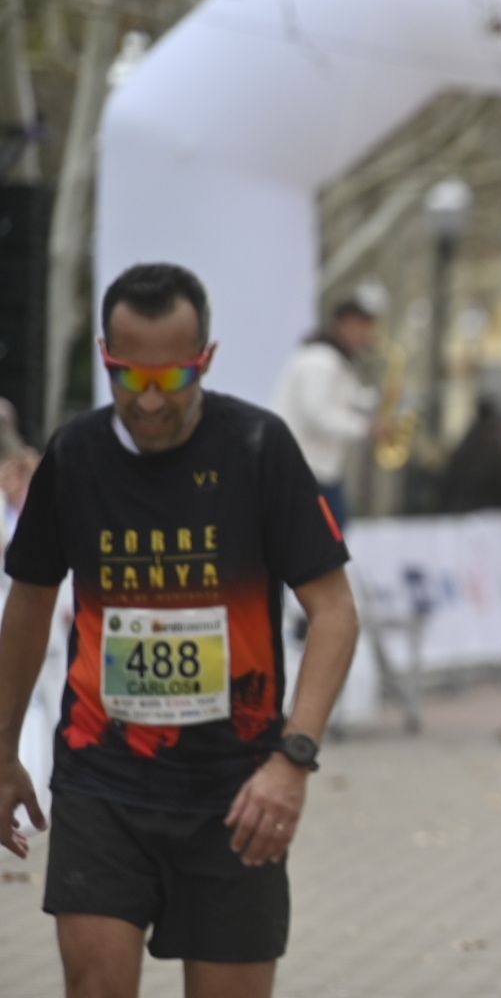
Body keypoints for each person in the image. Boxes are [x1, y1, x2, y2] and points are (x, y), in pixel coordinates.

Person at [0, 263, 359, 998]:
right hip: (103, 775)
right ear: (106, 357)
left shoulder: (259, 450)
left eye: (174, 377)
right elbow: (30, 603)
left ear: (207, 360)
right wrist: (2, 750)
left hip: (236, 790)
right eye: (131, 378)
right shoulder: (76, 456)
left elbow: (334, 611)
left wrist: (293, 761)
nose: (152, 401)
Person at [271, 289, 384, 531]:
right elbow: (319, 415)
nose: (367, 335)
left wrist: (380, 401)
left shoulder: (336, 363)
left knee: (331, 538)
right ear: (343, 325)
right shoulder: (319, 362)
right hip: (305, 470)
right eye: (362, 327)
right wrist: (367, 427)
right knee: (324, 542)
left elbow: (353, 399)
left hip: (320, 470)